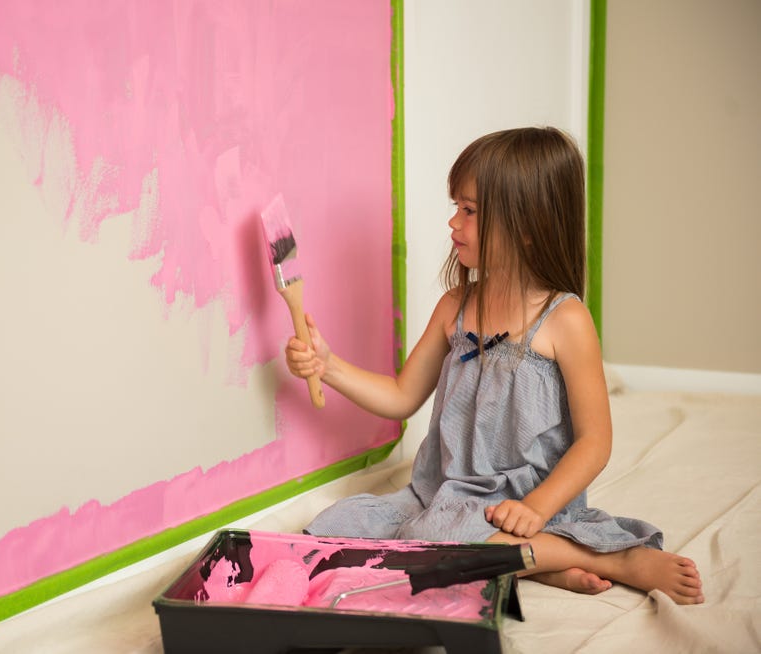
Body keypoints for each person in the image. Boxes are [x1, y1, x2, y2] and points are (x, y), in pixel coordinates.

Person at [285, 127, 704, 604]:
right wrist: (329, 364)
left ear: (527, 225)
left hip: (523, 501)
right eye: (455, 208)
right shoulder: (455, 307)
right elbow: (401, 397)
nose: (453, 224)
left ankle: (603, 556)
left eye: (469, 211)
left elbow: (595, 442)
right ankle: (542, 565)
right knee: (336, 532)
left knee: (444, 550)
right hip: (440, 495)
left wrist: (535, 508)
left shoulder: (564, 319)